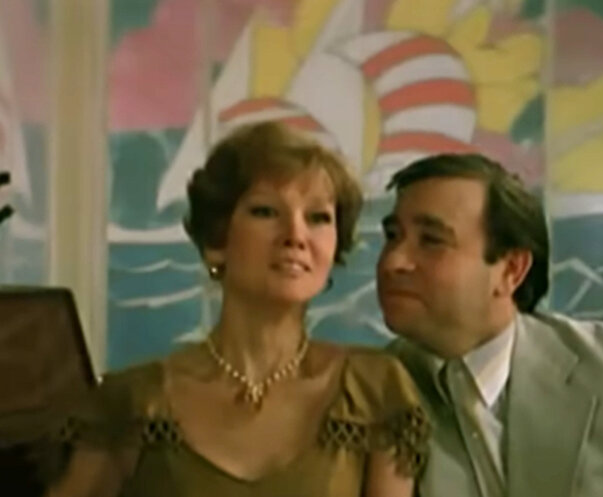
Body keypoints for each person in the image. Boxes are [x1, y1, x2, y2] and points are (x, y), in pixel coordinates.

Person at [46, 121, 428, 497]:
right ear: (216, 241)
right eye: (266, 211)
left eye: (318, 218)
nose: (296, 235)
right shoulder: (134, 401)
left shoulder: (374, 390)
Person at [377, 153, 603, 496]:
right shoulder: (377, 392)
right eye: (392, 235)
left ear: (511, 270)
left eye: (431, 240)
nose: (393, 261)